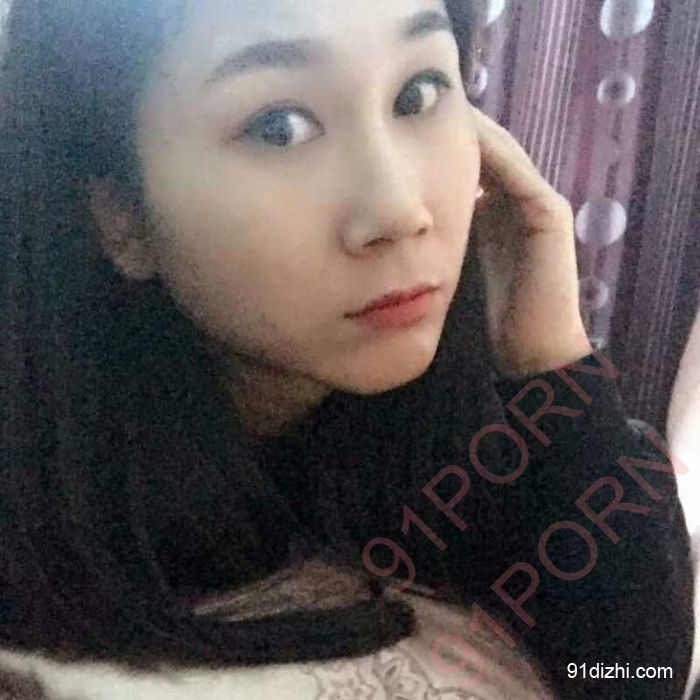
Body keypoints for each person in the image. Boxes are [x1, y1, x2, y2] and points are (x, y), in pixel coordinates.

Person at [0, 0, 693, 698]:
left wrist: (552, 362)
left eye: (417, 94)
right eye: (280, 127)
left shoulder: (445, 431)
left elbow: (633, 675)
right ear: (119, 215)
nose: (399, 210)